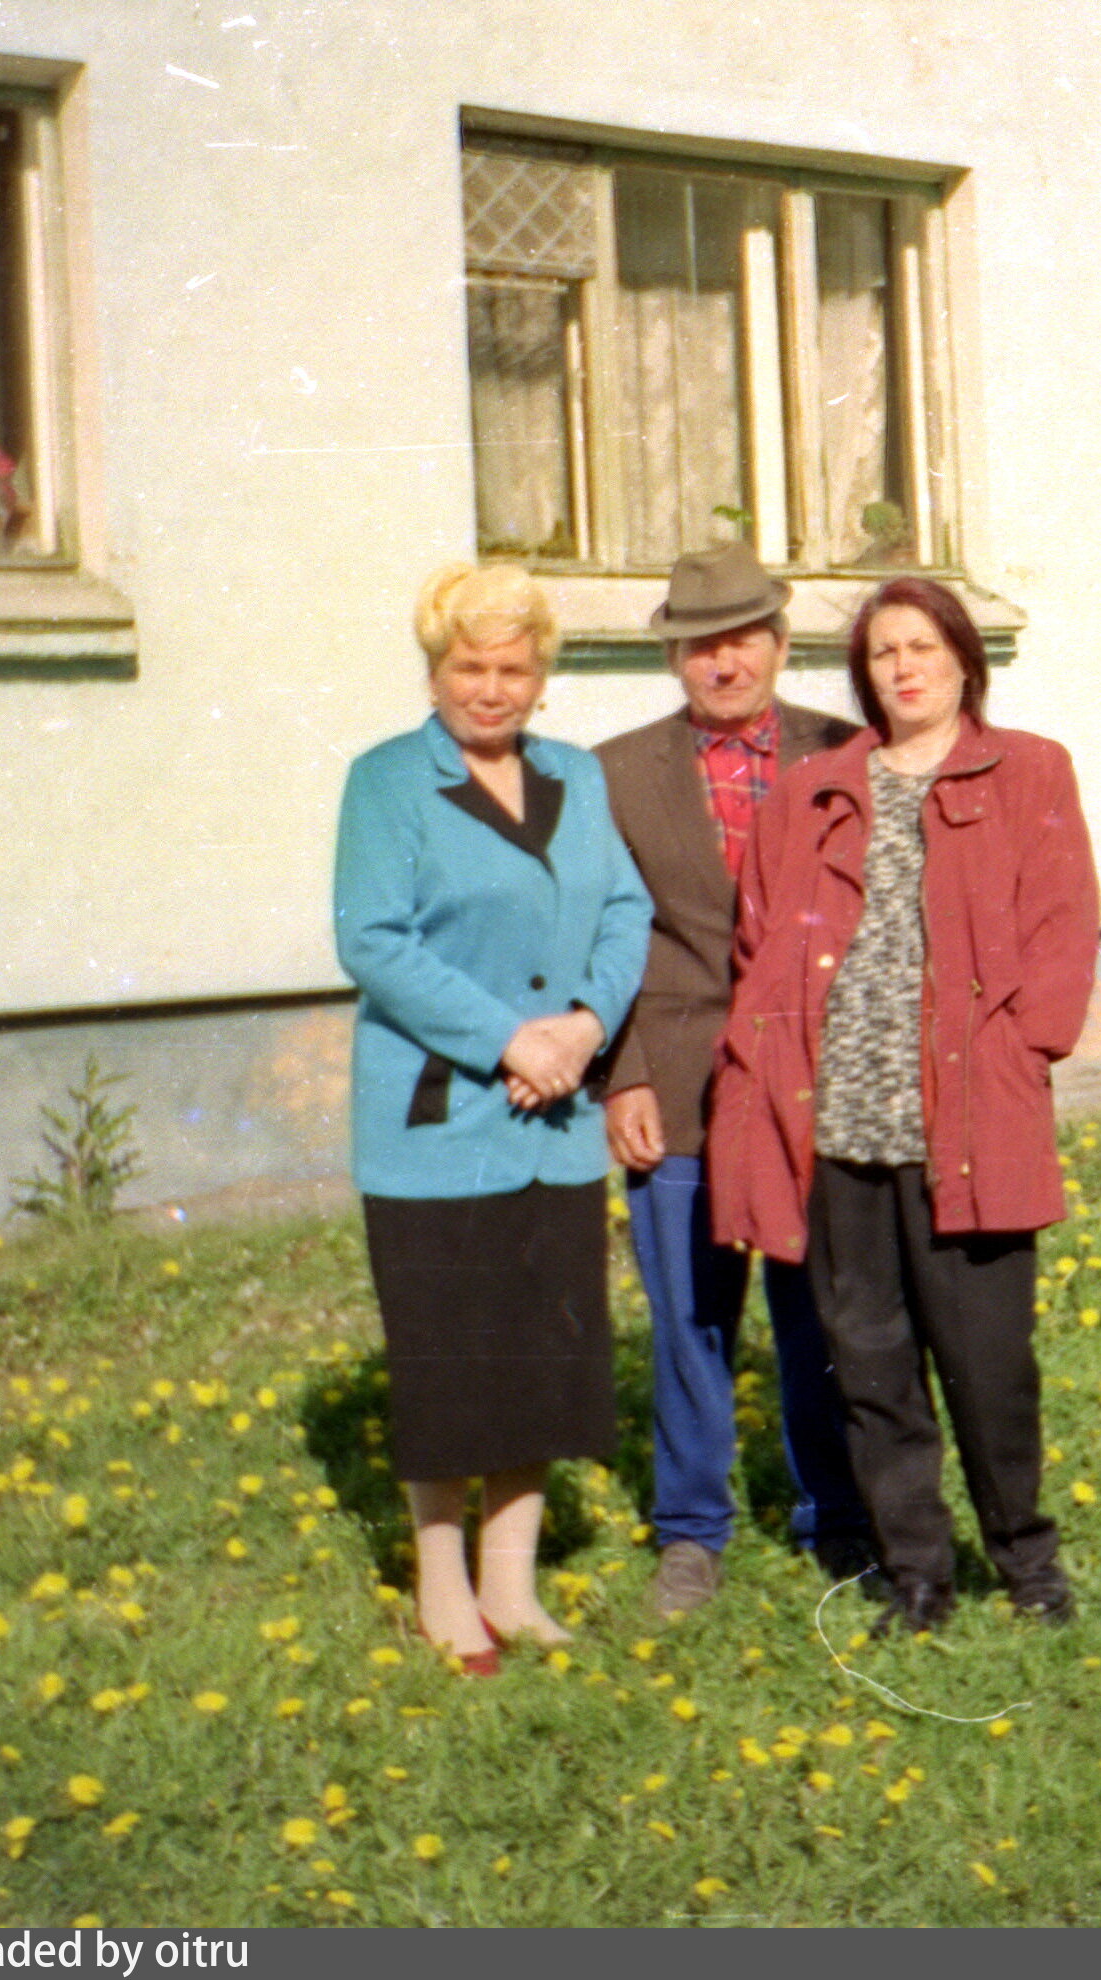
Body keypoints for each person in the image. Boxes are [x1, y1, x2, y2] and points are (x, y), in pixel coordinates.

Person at [709, 577, 1101, 1635]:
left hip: (966, 1122)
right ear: (863, 674)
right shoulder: (814, 791)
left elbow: (1062, 929)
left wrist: (1020, 1051)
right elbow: (760, 944)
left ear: (964, 659)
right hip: (838, 1125)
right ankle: (917, 1574)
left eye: (924, 646)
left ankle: (1027, 1563)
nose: (905, 667)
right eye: (884, 652)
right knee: (872, 1368)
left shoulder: (1029, 771)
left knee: (988, 1367)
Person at [333, 561, 651, 1673]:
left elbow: (625, 910)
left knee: (539, 1357)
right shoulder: (385, 782)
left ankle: (510, 1586)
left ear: (542, 678)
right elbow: (372, 939)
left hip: (554, 1124)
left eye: (514, 669)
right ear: (434, 671)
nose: (490, 688)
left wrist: (582, 1027)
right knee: (449, 1359)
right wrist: (511, 1042)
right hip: (438, 1123)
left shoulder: (576, 776)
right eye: (469, 666)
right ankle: (442, 1590)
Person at [595, 544, 876, 1620]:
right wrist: (622, 1076)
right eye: (700, 644)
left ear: (780, 642)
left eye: (742, 638)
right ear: (674, 657)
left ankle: (836, 1512)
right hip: (676, 1079)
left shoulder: (845, 753)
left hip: (812, 1079)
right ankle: (690, 1533)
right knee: (689, 1317)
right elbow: (599, 939)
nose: (724, 661)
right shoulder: (616, 773)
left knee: (820, 1311)